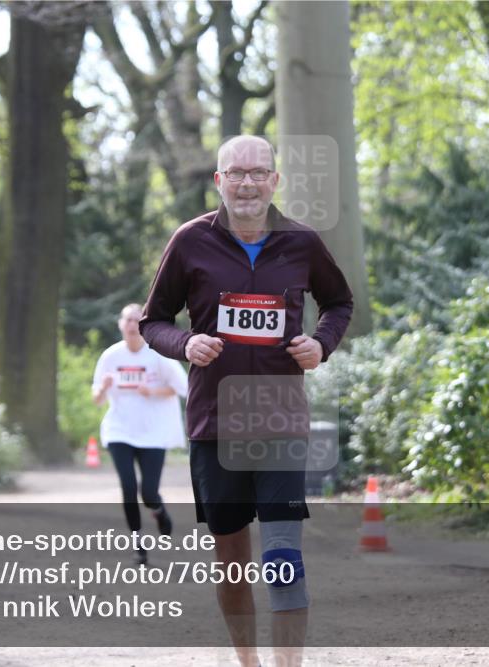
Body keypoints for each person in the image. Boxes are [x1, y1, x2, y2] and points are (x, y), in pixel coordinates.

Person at [140, 136, 353, 667]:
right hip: (215, 424)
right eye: (236, 173)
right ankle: (247, 663)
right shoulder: (190, 241)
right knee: (232, 561)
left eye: (259, 172)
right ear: (219, 181)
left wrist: (320, 344)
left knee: (283, 556)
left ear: (275, 181)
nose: (248, 183)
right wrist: (185, 343)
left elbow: (339, 302)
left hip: (281, 419)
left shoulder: (302, 242)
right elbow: (153, 320)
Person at [92, 303, 188, 566]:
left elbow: (182, 388)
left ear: (143, 324)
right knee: (127, 487)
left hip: (153, 432)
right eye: (128, 320)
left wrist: (153, 391)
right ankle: (138, 543)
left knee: (148, 492)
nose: (133, 325)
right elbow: (97, 398)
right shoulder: (111, 356)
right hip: (119, 430)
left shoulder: (157, 355)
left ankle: (158, 509)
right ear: (120, 324)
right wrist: (104, 388)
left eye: (137, 320)